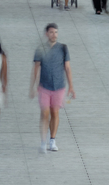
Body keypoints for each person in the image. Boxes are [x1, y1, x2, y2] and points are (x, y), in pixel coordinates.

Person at [30, 23, 75, 153]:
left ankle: (52, 140)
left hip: (59, 86)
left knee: (55, 112)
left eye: (56, 32)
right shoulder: (40, 49)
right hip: (44, 86)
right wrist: (33, 86)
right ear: (46, 34)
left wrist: (71, 86)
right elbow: (36, 68)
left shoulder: (63, 48)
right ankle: (43, 141)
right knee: (45, 113)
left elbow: (67, 67)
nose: (54, 34)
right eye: (51, 32)